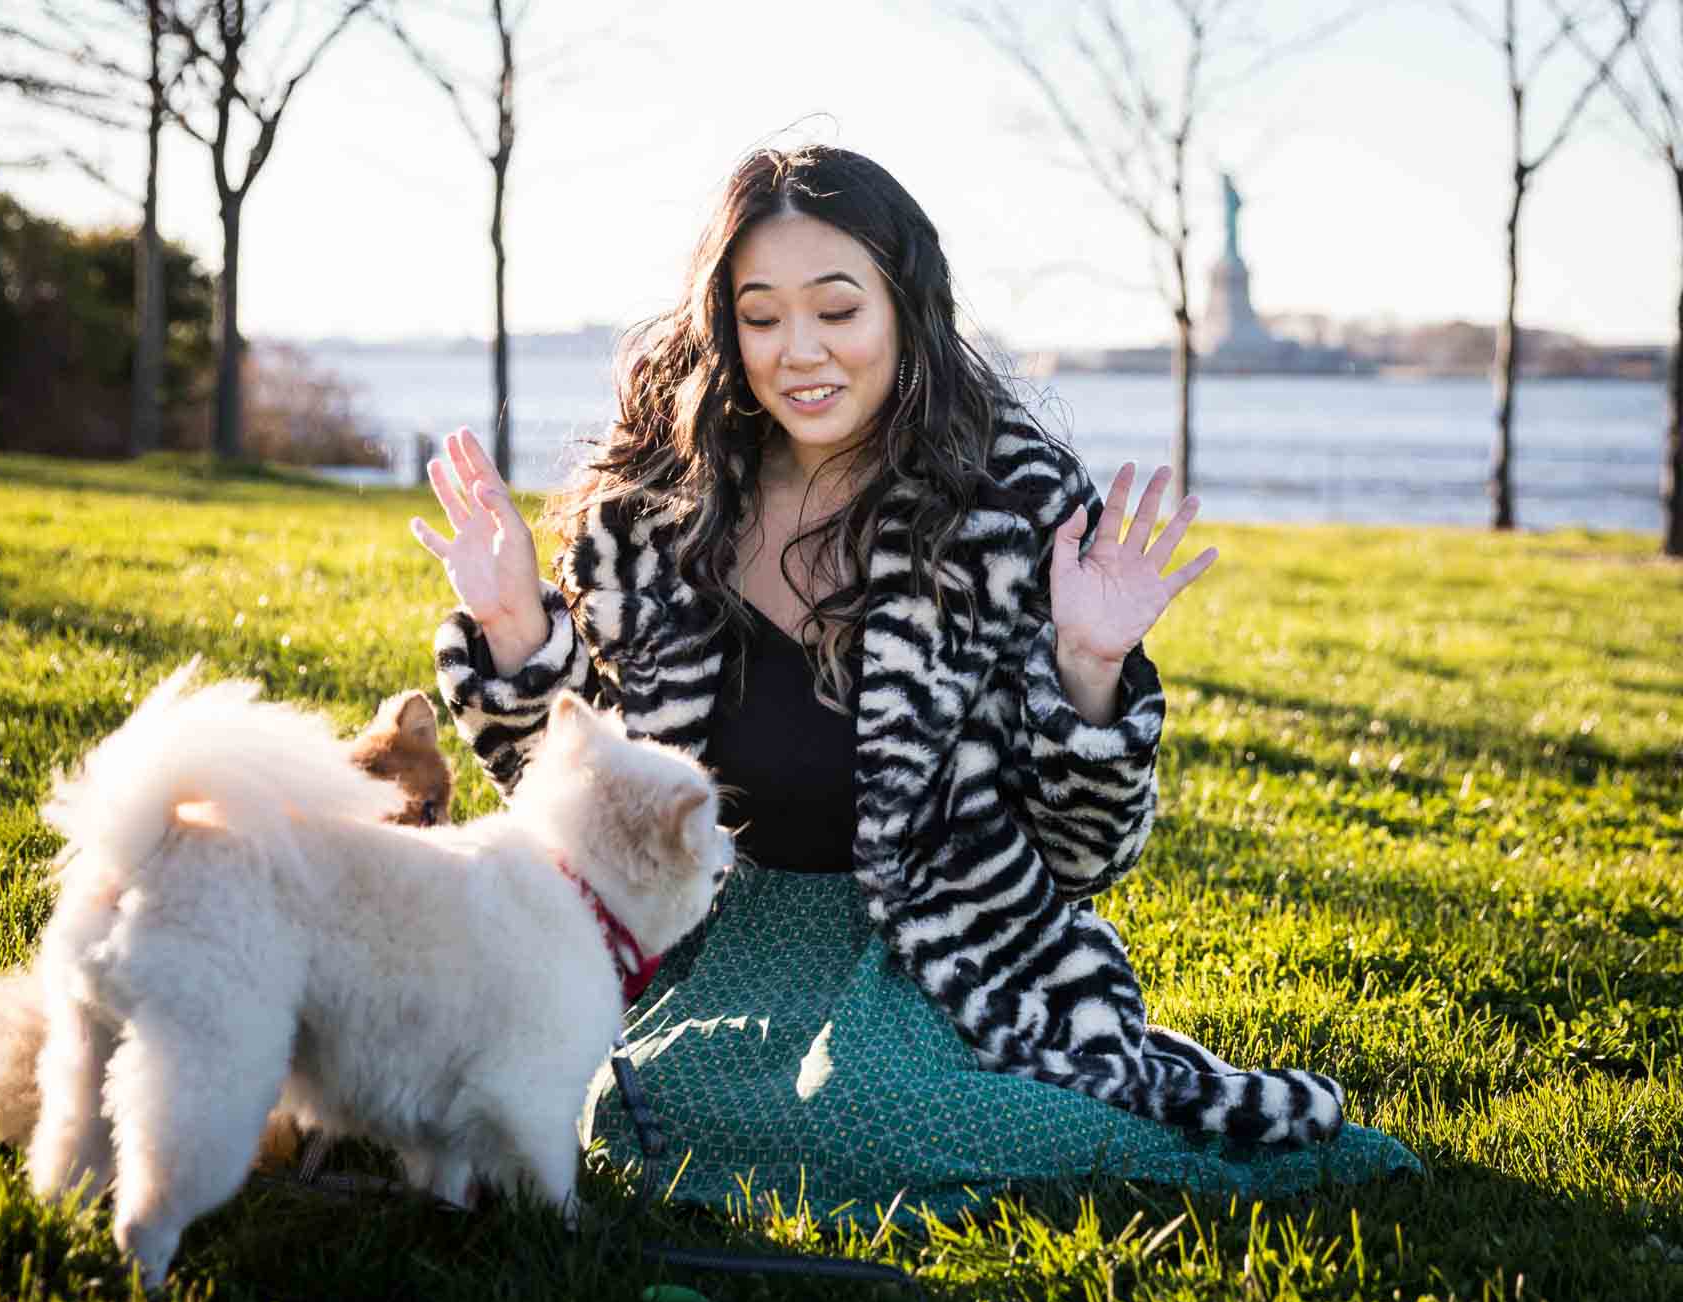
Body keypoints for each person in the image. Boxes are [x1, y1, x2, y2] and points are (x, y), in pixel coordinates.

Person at [410, 145, 1417, 1216]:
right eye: (760, 315)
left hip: (929, 946)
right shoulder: (655, 520)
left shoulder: (1004, 510)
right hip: (713, 945)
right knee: (625, 1105)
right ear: (722, 325)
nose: (798, 350)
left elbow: (1080, 855)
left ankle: (1153, 1143)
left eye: (836, 309)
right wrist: (516, 625)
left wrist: (1088, 665)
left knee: (860, 1103)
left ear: (904, 307)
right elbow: (587, 812)